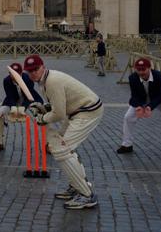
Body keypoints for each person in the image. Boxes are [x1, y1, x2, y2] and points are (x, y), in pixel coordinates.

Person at [24, 54, 103, 210]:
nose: (33, 73)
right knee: (62, 148)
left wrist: (41, 118)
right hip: (75, 111)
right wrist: (44, 108)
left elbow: (58, 114)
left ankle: (86, 195)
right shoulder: (44, 80)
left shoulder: (51, 81)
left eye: (36, 69)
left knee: (62, 149)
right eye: (30, 71)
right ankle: (77, 186)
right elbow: (57, 105)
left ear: (43, 67)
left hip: (87, 112)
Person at [117, 58, 161, 159]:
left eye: (143, 69)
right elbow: (135, 95)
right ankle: (127, 145)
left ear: (149, 68)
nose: (141, 72)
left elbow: (160, 95)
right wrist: (139, 107)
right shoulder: (132, 78)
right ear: (135, 69)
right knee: (128, 117)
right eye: (138, 69)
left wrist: (149, 107)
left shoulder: (160, 76)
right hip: (142, 99)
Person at [0, 62, 43, 152]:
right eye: (13, 73)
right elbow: (10, 97)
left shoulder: (28, 78)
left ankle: (48, 144)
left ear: (21, 72)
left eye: (18, 73)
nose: (15, 75)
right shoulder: (6, 81)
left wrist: (21, 110)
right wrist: (14, 110)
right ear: (9, 73)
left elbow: (28, 97)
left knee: (43, 116)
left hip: (29, 101)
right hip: (12, 102)